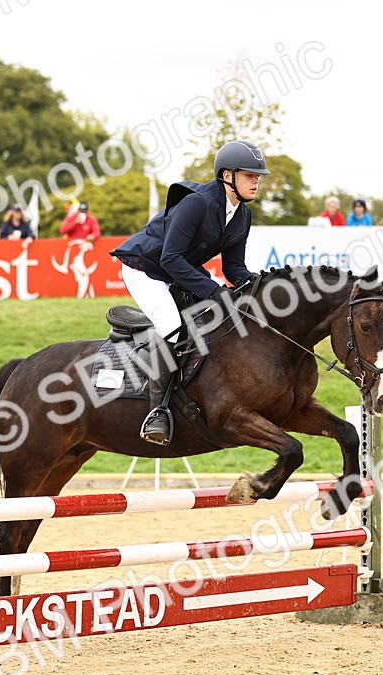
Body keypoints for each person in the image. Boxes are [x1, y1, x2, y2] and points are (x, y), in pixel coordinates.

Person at [110, 139, 266, 445]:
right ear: (227, 176)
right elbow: (169, 258)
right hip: (147, 270)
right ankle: (156, 412)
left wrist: (259, 286)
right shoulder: (197, 202)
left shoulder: (242, 214)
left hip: (179, 271)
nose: (256, 180)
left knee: (215, 321)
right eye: (249, 174)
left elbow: (234, 268)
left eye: (258, 175)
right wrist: (214, 290)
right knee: (175, 328)